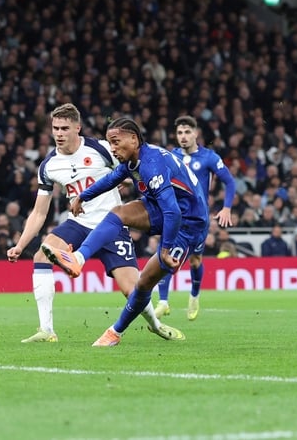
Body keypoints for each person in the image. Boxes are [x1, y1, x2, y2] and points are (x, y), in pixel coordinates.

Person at [6, 104, 184, 343]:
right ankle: (46, 330)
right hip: (78, 223)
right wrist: (20, 244)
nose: (59, 133)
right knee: (41, 256)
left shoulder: (101, 148)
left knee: (132, 289)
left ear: (77, 128)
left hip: (111, 224)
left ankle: (156, 325)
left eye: (64, 128)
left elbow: (132, 165)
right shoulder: (48, 166)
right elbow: (39, 212)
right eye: (55, 128)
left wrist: (130, 184)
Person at [41, 117, 208, 346]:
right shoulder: (135, 160)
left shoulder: (151, 164)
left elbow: (174, 213)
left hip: (189, 222)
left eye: (116, 142)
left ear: (133, 138)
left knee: (143, 284)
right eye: (110, 143)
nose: (112, 148)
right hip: (162, 207)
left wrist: (166, 248)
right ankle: (77, 258)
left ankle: (115, 331)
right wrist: (83, 196)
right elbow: (111, 179)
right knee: (119, 212)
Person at [154, 116, 235, 321]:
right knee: (164, 253)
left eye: (187, 132)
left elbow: (230, 182)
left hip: (198, 219)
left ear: (196, 134)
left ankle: (194, 296)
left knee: (195, 260)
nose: (183, 136)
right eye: (180, 133)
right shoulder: (171, 155)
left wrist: (226, 208)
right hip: (174, 215)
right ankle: (163, 302)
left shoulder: (209, 157)